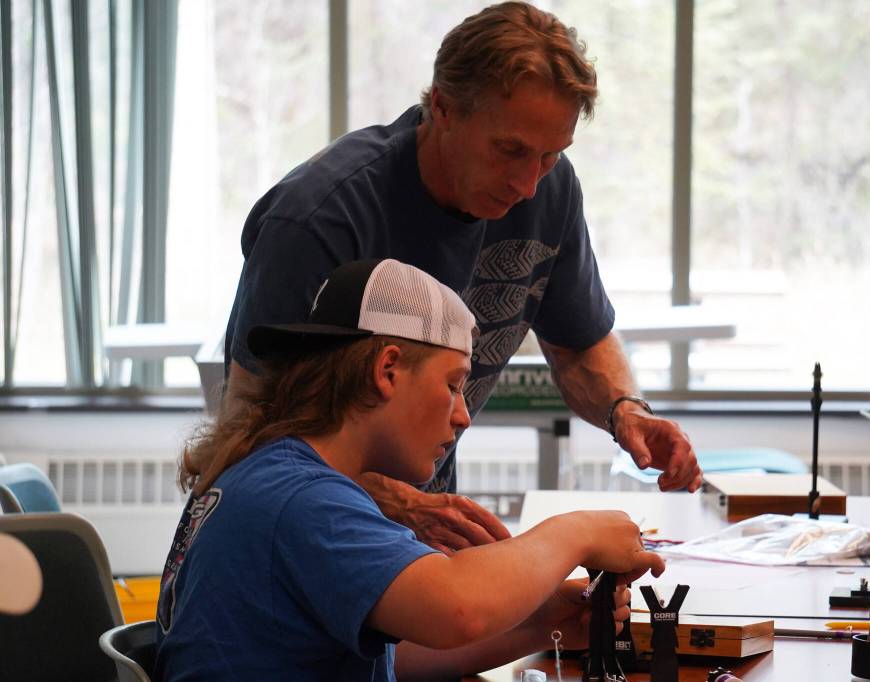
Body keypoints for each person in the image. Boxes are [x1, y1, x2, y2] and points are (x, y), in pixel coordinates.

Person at [223, 1, 702, 554]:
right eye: (510, 150)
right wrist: (401, 503)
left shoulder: (551, 191)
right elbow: (250, 433)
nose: (528, 184)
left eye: (550, 155)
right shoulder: (319, 218)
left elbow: (578, 342)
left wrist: (627, 412)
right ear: (442, 107)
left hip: (416, 539)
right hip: (301, 540)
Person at [158, 259, 664, 681]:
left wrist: (543, 624)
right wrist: (575, 532)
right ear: (387, 370)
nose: (464, 414)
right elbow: (456, 608)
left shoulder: (272, 474)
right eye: (452, 385)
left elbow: (390, 654)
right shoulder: (304, 500)